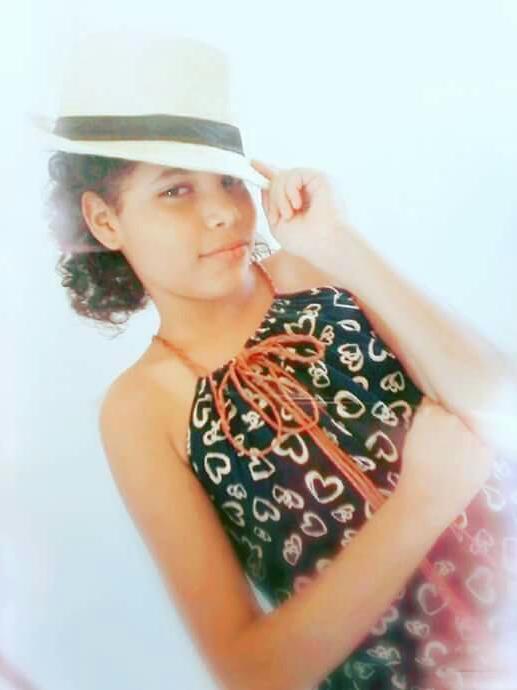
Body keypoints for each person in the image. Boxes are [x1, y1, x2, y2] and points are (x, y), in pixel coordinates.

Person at [34, 31, 517, 690]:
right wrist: (421, 504)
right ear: (104, 219)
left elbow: (494, 396)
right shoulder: (142, 409)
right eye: (175, 191)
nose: (221, 213)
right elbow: (252, 672)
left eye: (229, 181)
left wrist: (337, 241)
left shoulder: (314, 270)